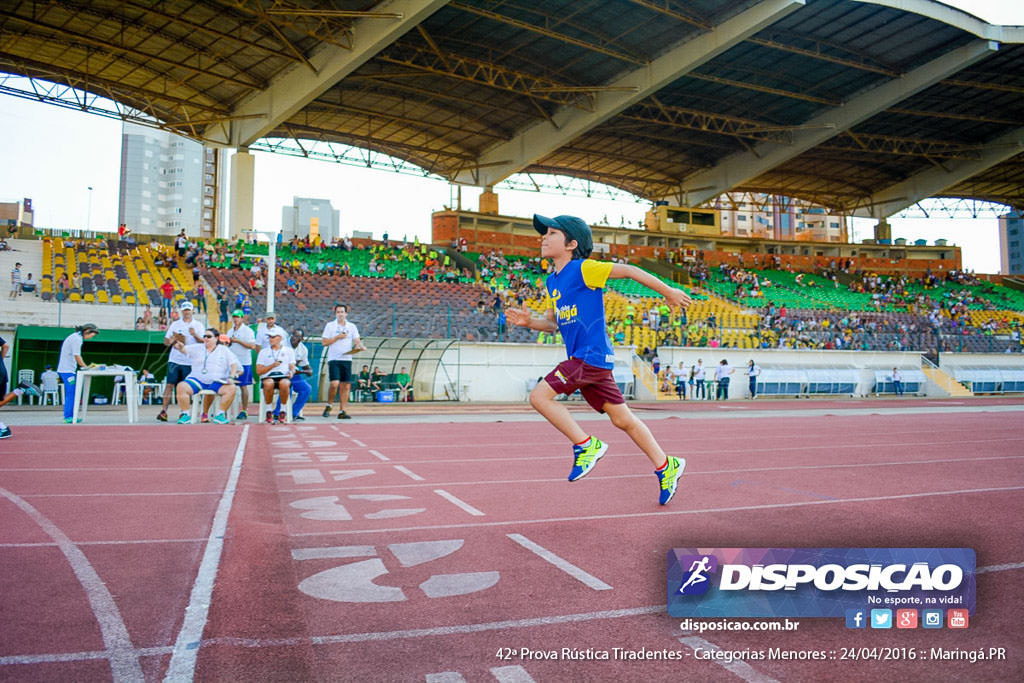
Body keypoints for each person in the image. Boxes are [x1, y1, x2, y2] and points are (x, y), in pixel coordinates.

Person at [505, 214, 691, 506]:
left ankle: (585, 445)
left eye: (552, 233)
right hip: (589, 360)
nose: (544, 237)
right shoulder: (552, 280)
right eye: (545, 233)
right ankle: (666, 465)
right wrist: (530, 322)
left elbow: (629, 271)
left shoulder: (585, 269)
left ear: (572, 244)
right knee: (622, 419)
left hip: (588, 357)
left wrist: (668, 292)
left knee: (540, 397)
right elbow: (553, 325)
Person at [170, 328, 241, 424]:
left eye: (209, 336)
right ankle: (185, 414)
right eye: (205, 336)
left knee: (232, 388)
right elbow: (184, 349)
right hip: (197, 380)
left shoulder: (224, 350)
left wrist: (232, 377)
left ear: (216, 338)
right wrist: (180, 347)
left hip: (217, 381)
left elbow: (234, 364)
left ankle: (219, 415)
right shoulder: (197, 347)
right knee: (181, 386)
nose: (206, 338)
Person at [157, 302, 204, 422]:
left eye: (189, 310)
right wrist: (171, 340)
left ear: (193, 311)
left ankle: (184, 412)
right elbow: (165, 341)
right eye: (185, 310)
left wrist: (195, 335)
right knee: (169, 385)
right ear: (182, 311)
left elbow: (204, 342)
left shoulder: (198, 325)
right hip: (175, 359)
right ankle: (164, 411)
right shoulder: (175, 324)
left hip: (190, 361)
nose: (187, 312)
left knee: (185, 387)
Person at [321, 303, 364, 419]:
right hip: (334, 358)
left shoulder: (351, 326)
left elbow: (356, 339)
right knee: (334, 384)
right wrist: (337, 337)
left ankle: (342, 411)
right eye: (338, 312)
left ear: (346, 313)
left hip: (347, 358)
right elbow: (324, 342)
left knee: (346, 385)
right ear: (335, 314)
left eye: (342, 312)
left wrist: (360, 345)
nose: (340, 314)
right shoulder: (330, 326)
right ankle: (329, 404)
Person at [57, 323, 99, 424]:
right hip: (67, 371)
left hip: (68, 370)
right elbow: (77, 356)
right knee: (71, 393)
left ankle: (71, 416)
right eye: (91, 335)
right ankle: (68, 417)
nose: (90, 338)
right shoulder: (77, 339)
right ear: (87, 330)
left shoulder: (75, 337)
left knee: (72, 393)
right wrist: (86, 367)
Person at [255, 330, 295, 424]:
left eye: (273, 337)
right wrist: (272, 365)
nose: (271, 339)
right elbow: (259, 371)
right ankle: (268, 410)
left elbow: (292, 366)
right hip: (268, 376)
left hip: (283, 376)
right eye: (269, 337)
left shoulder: (289, 351)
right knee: (269, 384)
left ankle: (282, 410)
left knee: (285, 384)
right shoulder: (263, 352)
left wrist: (291, 372)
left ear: (280, 338)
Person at [276, 329, 312, 421]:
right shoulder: (282, 345)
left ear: (302, 339)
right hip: (280, 374)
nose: (294, 338)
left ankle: (293, 413)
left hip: (294, 375)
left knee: (306, 389)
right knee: (288, 387)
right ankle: (278, 412)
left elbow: (306, 367)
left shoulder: (303, 349)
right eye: (293, 335)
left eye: (297, 336)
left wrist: (309, 370)